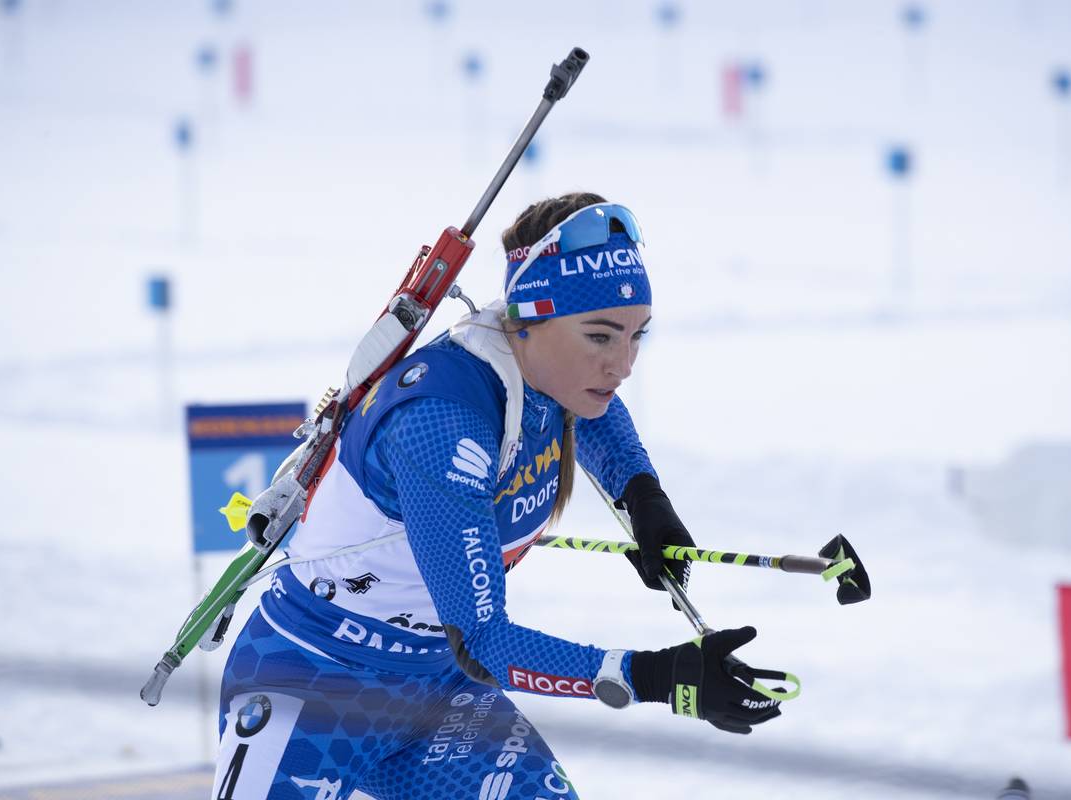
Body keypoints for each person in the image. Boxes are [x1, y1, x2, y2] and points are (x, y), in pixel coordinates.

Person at [210, 193, 782, 800]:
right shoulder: (443, 423)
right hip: (318, 685)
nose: (622, 365)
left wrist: (644, 500)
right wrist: (663, 677)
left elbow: (592, 411)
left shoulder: (545, 369)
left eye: (637, 335)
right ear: (528, 318)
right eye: (600, 336)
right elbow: (485, 641)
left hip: (440, 691)